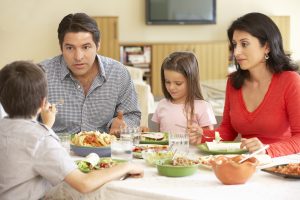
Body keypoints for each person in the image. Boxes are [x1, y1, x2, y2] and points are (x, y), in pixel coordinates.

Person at [0, 61, 144, 199]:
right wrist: (127, 166)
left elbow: (26, 146)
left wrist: (47, 126)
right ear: (43, 102)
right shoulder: (41, 139)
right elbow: (84, 183)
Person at [188, 12, 300, 158]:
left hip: (279, 163)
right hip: (245, 160)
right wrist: (203, 135)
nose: (236, 52)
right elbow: (228, 130)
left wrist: (266, 149)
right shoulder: (233, 81)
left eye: (244, 44)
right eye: (234, 45)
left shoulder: (290, 81)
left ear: (266, 46)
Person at [40, 13, 141, 135]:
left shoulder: (118, 73)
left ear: (98, 45)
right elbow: (23, 121)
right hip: (55, 150)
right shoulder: (41, 74)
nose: (78, 57)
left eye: (86, 47)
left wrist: (122, 124)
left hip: (104, 149)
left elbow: (133, 115)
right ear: (61, 47)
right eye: (70, 48)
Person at [151, 51, 216, 132]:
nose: (171, 87)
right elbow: (158, 138)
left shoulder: (203, 107)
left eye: (178, 83)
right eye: (167, 82)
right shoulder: (162, 105)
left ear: (191, 81)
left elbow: (210, 138)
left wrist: (199, 133)